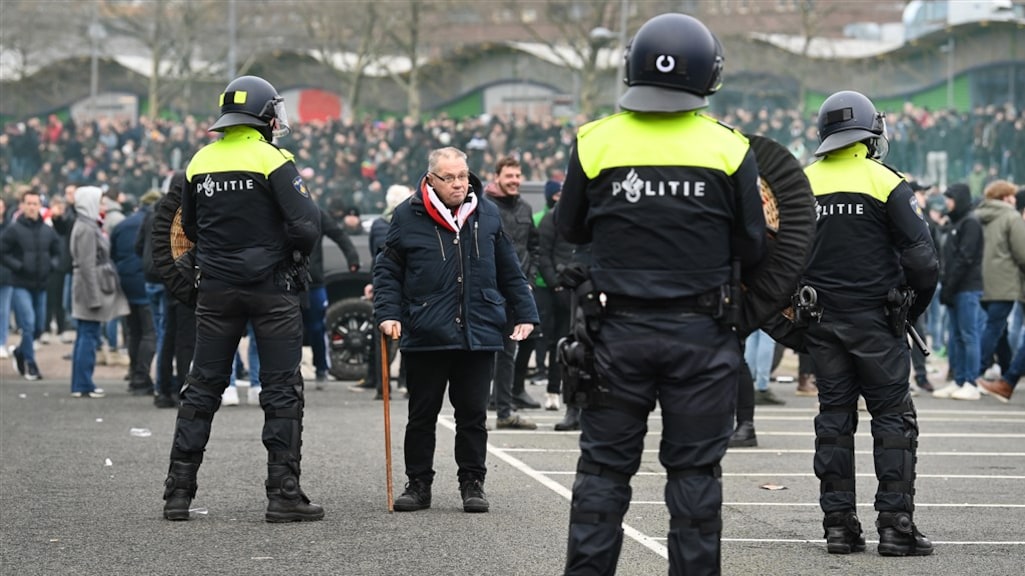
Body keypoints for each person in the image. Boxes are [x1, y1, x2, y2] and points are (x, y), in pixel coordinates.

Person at [556, 14, 767, 575]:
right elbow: (752, 243)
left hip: (614, 335)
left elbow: (570, 229)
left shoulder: (594, 141)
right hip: (701, 337)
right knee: (695, 479)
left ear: (633, 68)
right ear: (708, 74)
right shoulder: (729, 148)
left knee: (602, 474)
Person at [161, 75, 324, 523]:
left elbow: (189, 228)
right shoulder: (273, 158)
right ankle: (283, 492)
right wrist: (284, 254)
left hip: (215, 289)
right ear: (264, 115)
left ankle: (178, 492)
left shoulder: (199, 161)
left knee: (203, 386)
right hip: (271, 289)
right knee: (281, 388)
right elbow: (307, 226)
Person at [801, 90, 938, 556]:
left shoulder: (802, 183)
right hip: (878, 321)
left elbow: (777, 259)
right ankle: (896, 527)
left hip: (821, 321)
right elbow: (923, 261)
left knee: (834, 422)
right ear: (869, 131)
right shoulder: (886, 182)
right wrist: (910, 312)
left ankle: (838, 526)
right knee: (894, 421)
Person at [373, 146, 539, 514]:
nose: (458, 184)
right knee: (422, 416)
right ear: (431, 179)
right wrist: (388, 312)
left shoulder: (486, 213)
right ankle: (418, 485)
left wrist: (526, 314)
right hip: (426, 331)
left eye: (463, 176)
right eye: (449, 178)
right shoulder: (407, 215)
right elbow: (387, 271)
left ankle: (472, 483)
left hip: (478, 331)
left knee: (472, 416)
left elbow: (510, 270)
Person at [486, 156, 542, 428]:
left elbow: (534, 247)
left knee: (508, 354)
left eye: (518, 176)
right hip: (487, 293)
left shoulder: (525, 208)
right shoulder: (484, 207)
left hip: (515, 293)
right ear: (497, 176)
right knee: (483, 352)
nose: (515, 181)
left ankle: (504, 413)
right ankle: (478, 409)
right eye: (509, 176)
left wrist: (528, 281)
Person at [69, 185, 130, 397]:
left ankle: (80, 383)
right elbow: (86, 265)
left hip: (88, 285)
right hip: (90, 288)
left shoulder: (86, 224)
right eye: (100, 201)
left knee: (85, 334)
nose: (103, 205)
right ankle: (84, 384)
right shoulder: (87, 227)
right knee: (89, 334)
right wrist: (94, 298)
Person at [0, 186, 61, 380]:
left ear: (40, 205)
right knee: (28, 324)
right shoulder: (14, 229)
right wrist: (18, 266)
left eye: (35, 204)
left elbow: (58, 252)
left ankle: (20, 352)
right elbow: (3, 251)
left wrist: (51, 265)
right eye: (29, 203)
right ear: (22, 205)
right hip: (20, 283)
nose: (32, 207)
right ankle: (31, 364)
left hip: (41, 284)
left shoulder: (47, 230)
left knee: (38, 328)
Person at [932, 183, 984, 400]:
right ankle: (960, 379)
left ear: (960, 198)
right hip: (955, 287)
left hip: (967, 288)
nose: (947, 202)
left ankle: (971, 382)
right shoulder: (956, 222)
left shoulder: (970, 223)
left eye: (950, 198)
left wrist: (949, 285)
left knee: (968, 335)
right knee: (956, 336)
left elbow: (965, 258)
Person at [974, 180, 1025, 382]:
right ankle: (975, 372)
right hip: (1005, 282)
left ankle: (1006, 368)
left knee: (999, 328)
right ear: (1005, 198)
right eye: (1012, 196)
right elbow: (1022, 252)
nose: (1015, 200)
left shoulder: (978, 216)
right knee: (995, 327)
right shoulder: (1011, 217)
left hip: (981, 282)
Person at [111, 191, 159, 396]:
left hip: (125, 283)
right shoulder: (156, 221)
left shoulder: (122, 225)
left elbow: (112, 253)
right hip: (146, 280)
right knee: (150, 332)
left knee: (133, 331)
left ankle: (133, 372)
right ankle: (141, 375)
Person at [307, 205, 360, 389]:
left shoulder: (316, 213)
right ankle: (290, 372)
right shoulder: (281, 210)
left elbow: (338, 234)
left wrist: (352, 257)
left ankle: (321, 369)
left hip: (313, 281)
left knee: (317, 328)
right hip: (290, 280)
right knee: (289, 329)